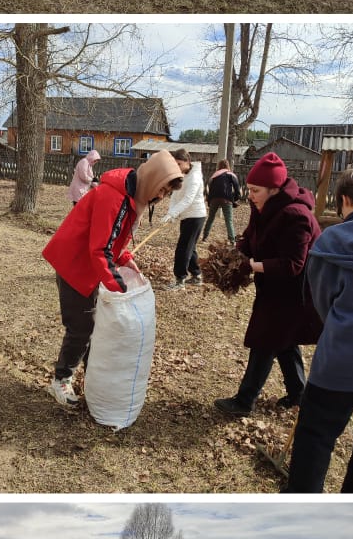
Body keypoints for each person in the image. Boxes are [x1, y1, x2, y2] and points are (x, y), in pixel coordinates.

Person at [42, 151, 184, 405]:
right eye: (162, 189)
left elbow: (113, 238)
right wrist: (118, 287)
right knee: (81, 327)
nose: (161, 197)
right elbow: (99, 248)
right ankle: (61, 380)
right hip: (74, 263)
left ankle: (92, 376)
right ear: (152, 179)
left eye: (166, 193)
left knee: (93, 325)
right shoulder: (114, 197)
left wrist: (124, 257)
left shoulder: (131, 196)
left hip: (89, 265)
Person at [285, 169, 353, 494]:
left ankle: (302, 499)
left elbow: (320, 302)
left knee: (316, 437)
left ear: (344, 200)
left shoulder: (332, 241)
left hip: (343, 358)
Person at [214, 152, 322, 417]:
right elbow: (251, 236)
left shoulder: (296, 215)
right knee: (284, 341)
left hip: (295, 291)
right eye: (249, 188)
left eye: (255, 190)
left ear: (274, 189)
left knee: (266, 340)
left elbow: (293, 264)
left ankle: (244, 401)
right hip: (275, 287)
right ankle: (299, 394)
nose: (249, 194)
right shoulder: (262, 207)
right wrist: (236, 254)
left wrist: (250, 266)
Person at [162, 149, 206, 288]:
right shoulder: (182, 175)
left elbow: (188, 199)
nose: (177, 167)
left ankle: (180, 279)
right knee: (190, 247)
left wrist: (173, 213)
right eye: (175, 164)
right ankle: (197, 275)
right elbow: (175, 195)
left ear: (187, 162)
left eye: (179, 164)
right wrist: (170, 212)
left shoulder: (195, 177)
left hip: (196, 216)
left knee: (183, 248)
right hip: (187, 216)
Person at [202, 159, 241, 243]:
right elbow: (237, 188)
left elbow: (210, 190)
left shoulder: (214, 175)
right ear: (228, 166)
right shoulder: (231, 174)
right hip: (227, 199)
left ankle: (205, 237)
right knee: (228, 220)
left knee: (210, 218)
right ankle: (232, 240)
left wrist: (209, 202)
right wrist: (234, 200)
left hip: (214, 199)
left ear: (218, 166)